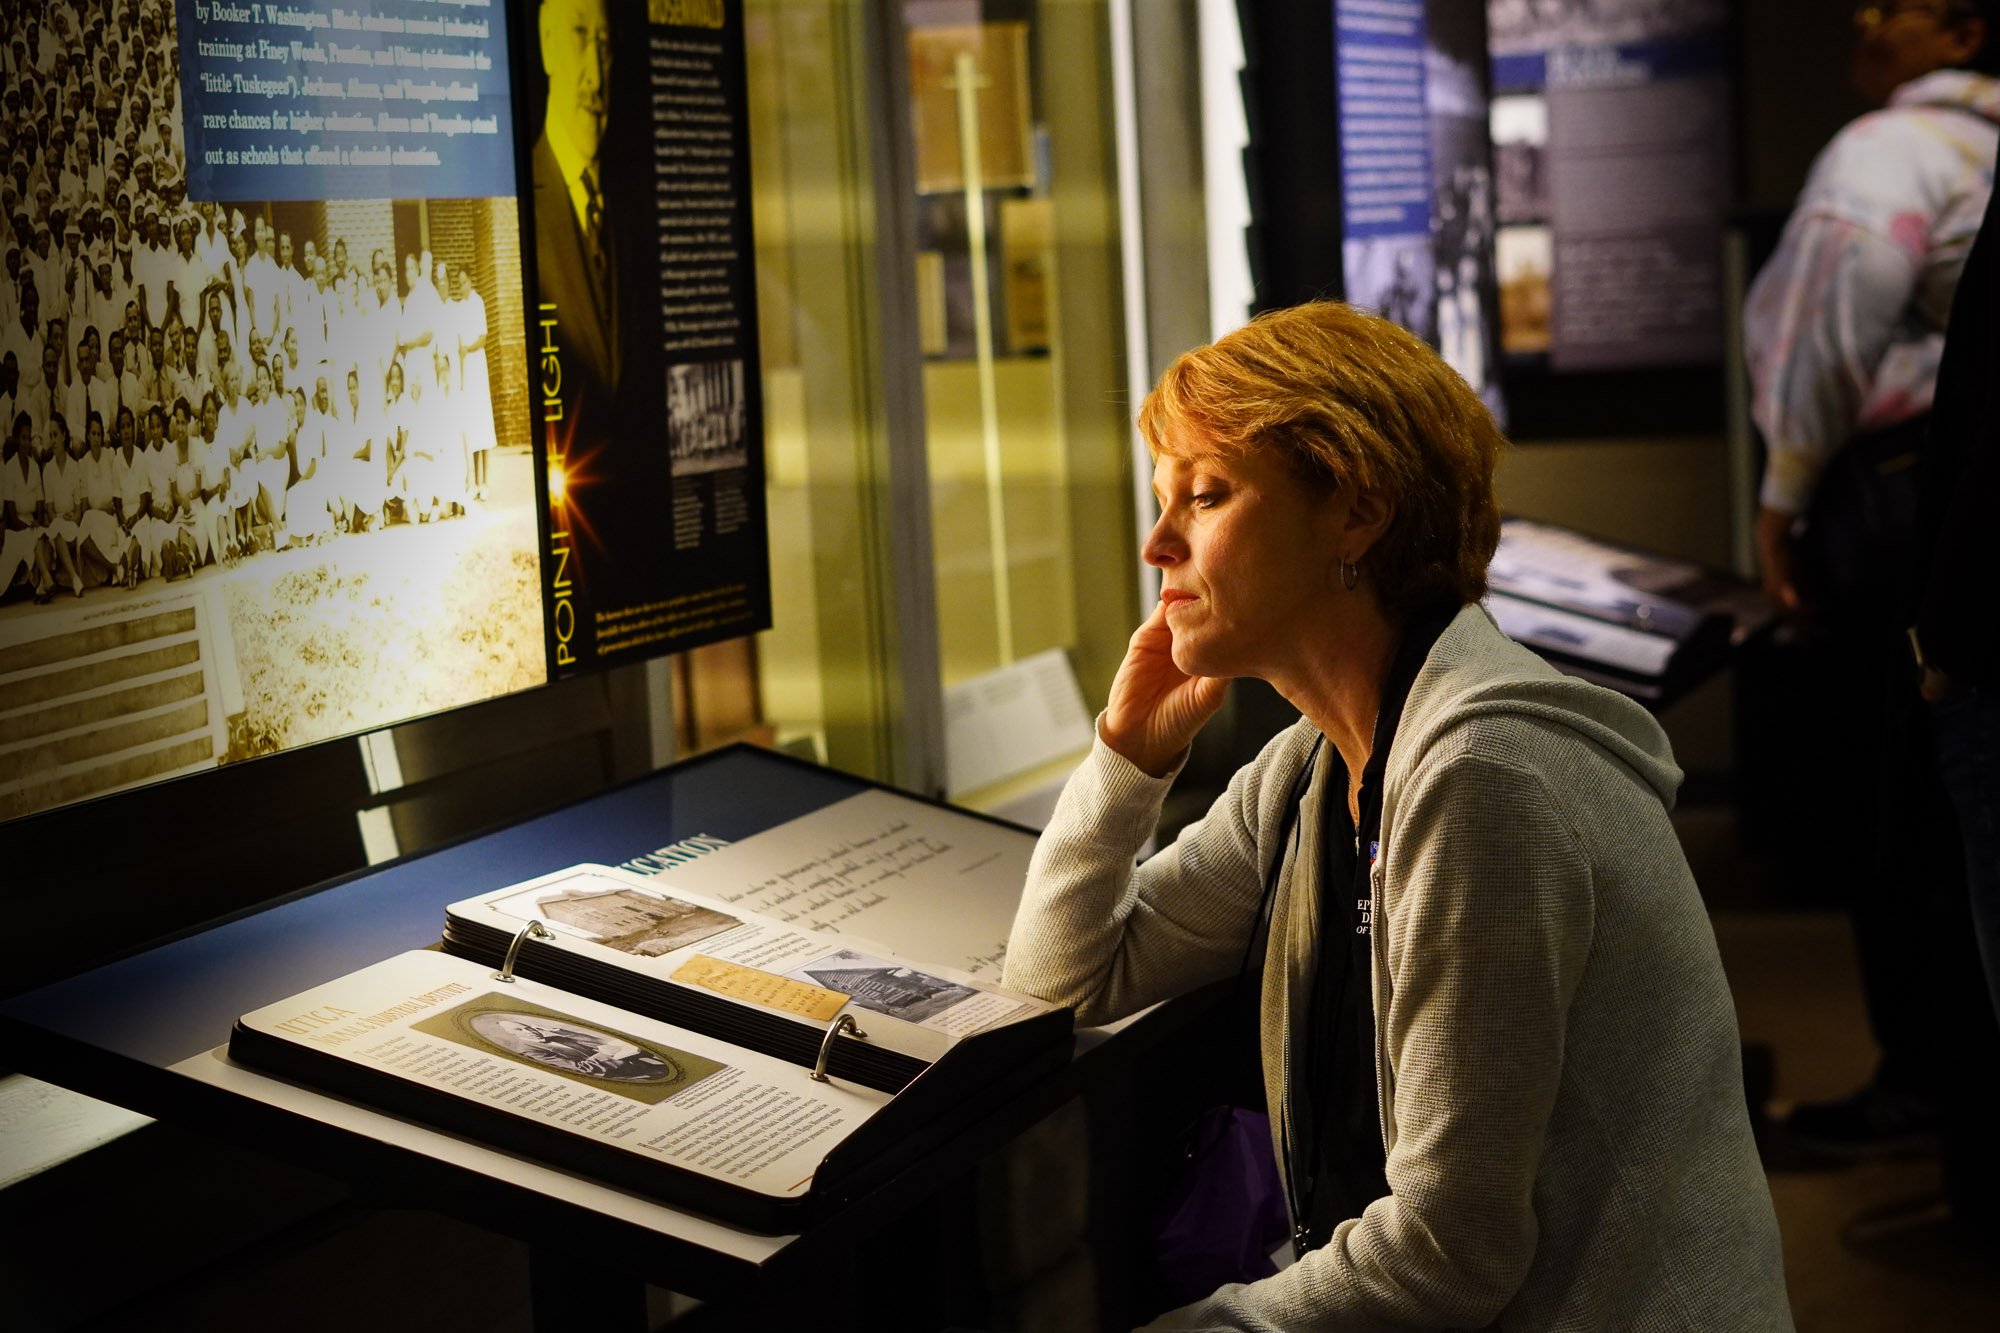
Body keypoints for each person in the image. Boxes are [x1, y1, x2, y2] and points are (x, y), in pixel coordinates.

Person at [1004, 302, 1792, 1330]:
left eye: (1205, 496)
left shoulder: (1484, 777)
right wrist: (1125, 756)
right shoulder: (1308, 768)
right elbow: (1063, 981)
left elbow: (1448, 1250)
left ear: (1355, 514)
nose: (1158, 544)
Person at [1742, 0, 2000, 1158]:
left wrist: (1782, 495)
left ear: (1959, 30)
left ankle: (1928, 1090)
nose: (1860, 19)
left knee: (1902, 811)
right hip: (1953, 503)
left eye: (1894, 4)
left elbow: (1822, 327)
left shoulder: (1884, 150)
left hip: (1899, 499)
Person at [533, 0, 619, 390]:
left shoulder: (628, 212)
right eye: (580, 35)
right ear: (547, 45)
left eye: (603, 45)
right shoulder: (523, 204)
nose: (597, 78)